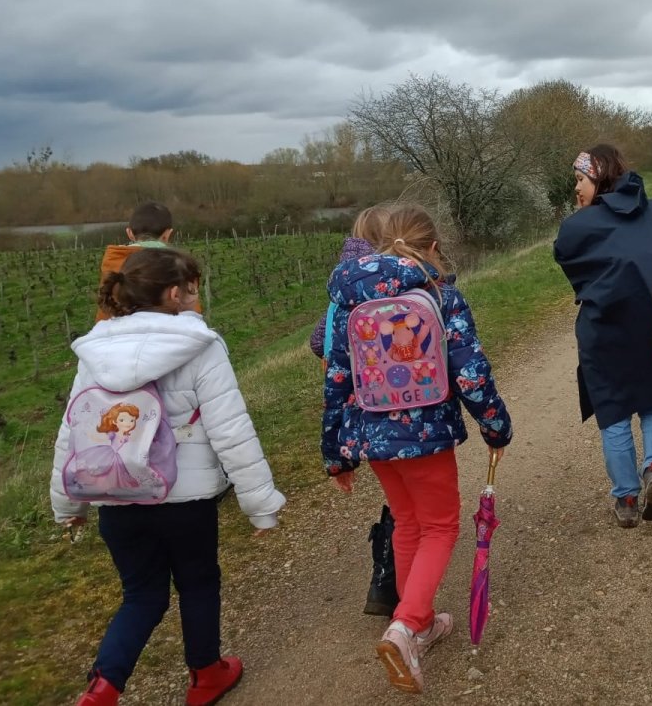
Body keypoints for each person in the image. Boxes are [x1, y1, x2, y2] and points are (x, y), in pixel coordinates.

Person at [51, 247, 286, 706]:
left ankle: (101, 689)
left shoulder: (94, 350)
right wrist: (261, 506)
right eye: (194, 290)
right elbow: (231, 430)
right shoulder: (200, 345)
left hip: (117, 496)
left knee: (141, 595)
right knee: (198, 582)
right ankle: (205, 674)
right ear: (177, 293)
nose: (198, 298)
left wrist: (68, 504)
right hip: (187, 500)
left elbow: (73, 432)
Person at [320, 203, 513, 694]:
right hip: (426, 432)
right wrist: (496, 428)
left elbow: (337, 381)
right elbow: (471, 374)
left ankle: (420, 622)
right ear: (432, 248)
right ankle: (405, 627)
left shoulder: (348, 302)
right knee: (442, 525)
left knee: (408, 523)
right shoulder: (440, 295)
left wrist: (337, 454)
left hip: (372, 433)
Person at [553, 144, 652, 528]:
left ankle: (627, 498)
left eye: (580, 179)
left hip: (605, 334)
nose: (576, 189)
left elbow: (567, 260)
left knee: (614, 412)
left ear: (598, 178)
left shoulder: (578, 226)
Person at [308, 222, 398, 617]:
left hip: (354, 411)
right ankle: (391, 581)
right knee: (407, 505)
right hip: (398, 404)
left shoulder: (341, 288)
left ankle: (383, 575)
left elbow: (316, 341)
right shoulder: (392, 281)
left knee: (395, 494)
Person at [96, 201, 201, 322]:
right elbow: (192, 314)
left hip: (115, 337)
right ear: (167, 234)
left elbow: (104, 313)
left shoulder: (114, 260)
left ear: (129, 233)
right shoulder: (179, 265)